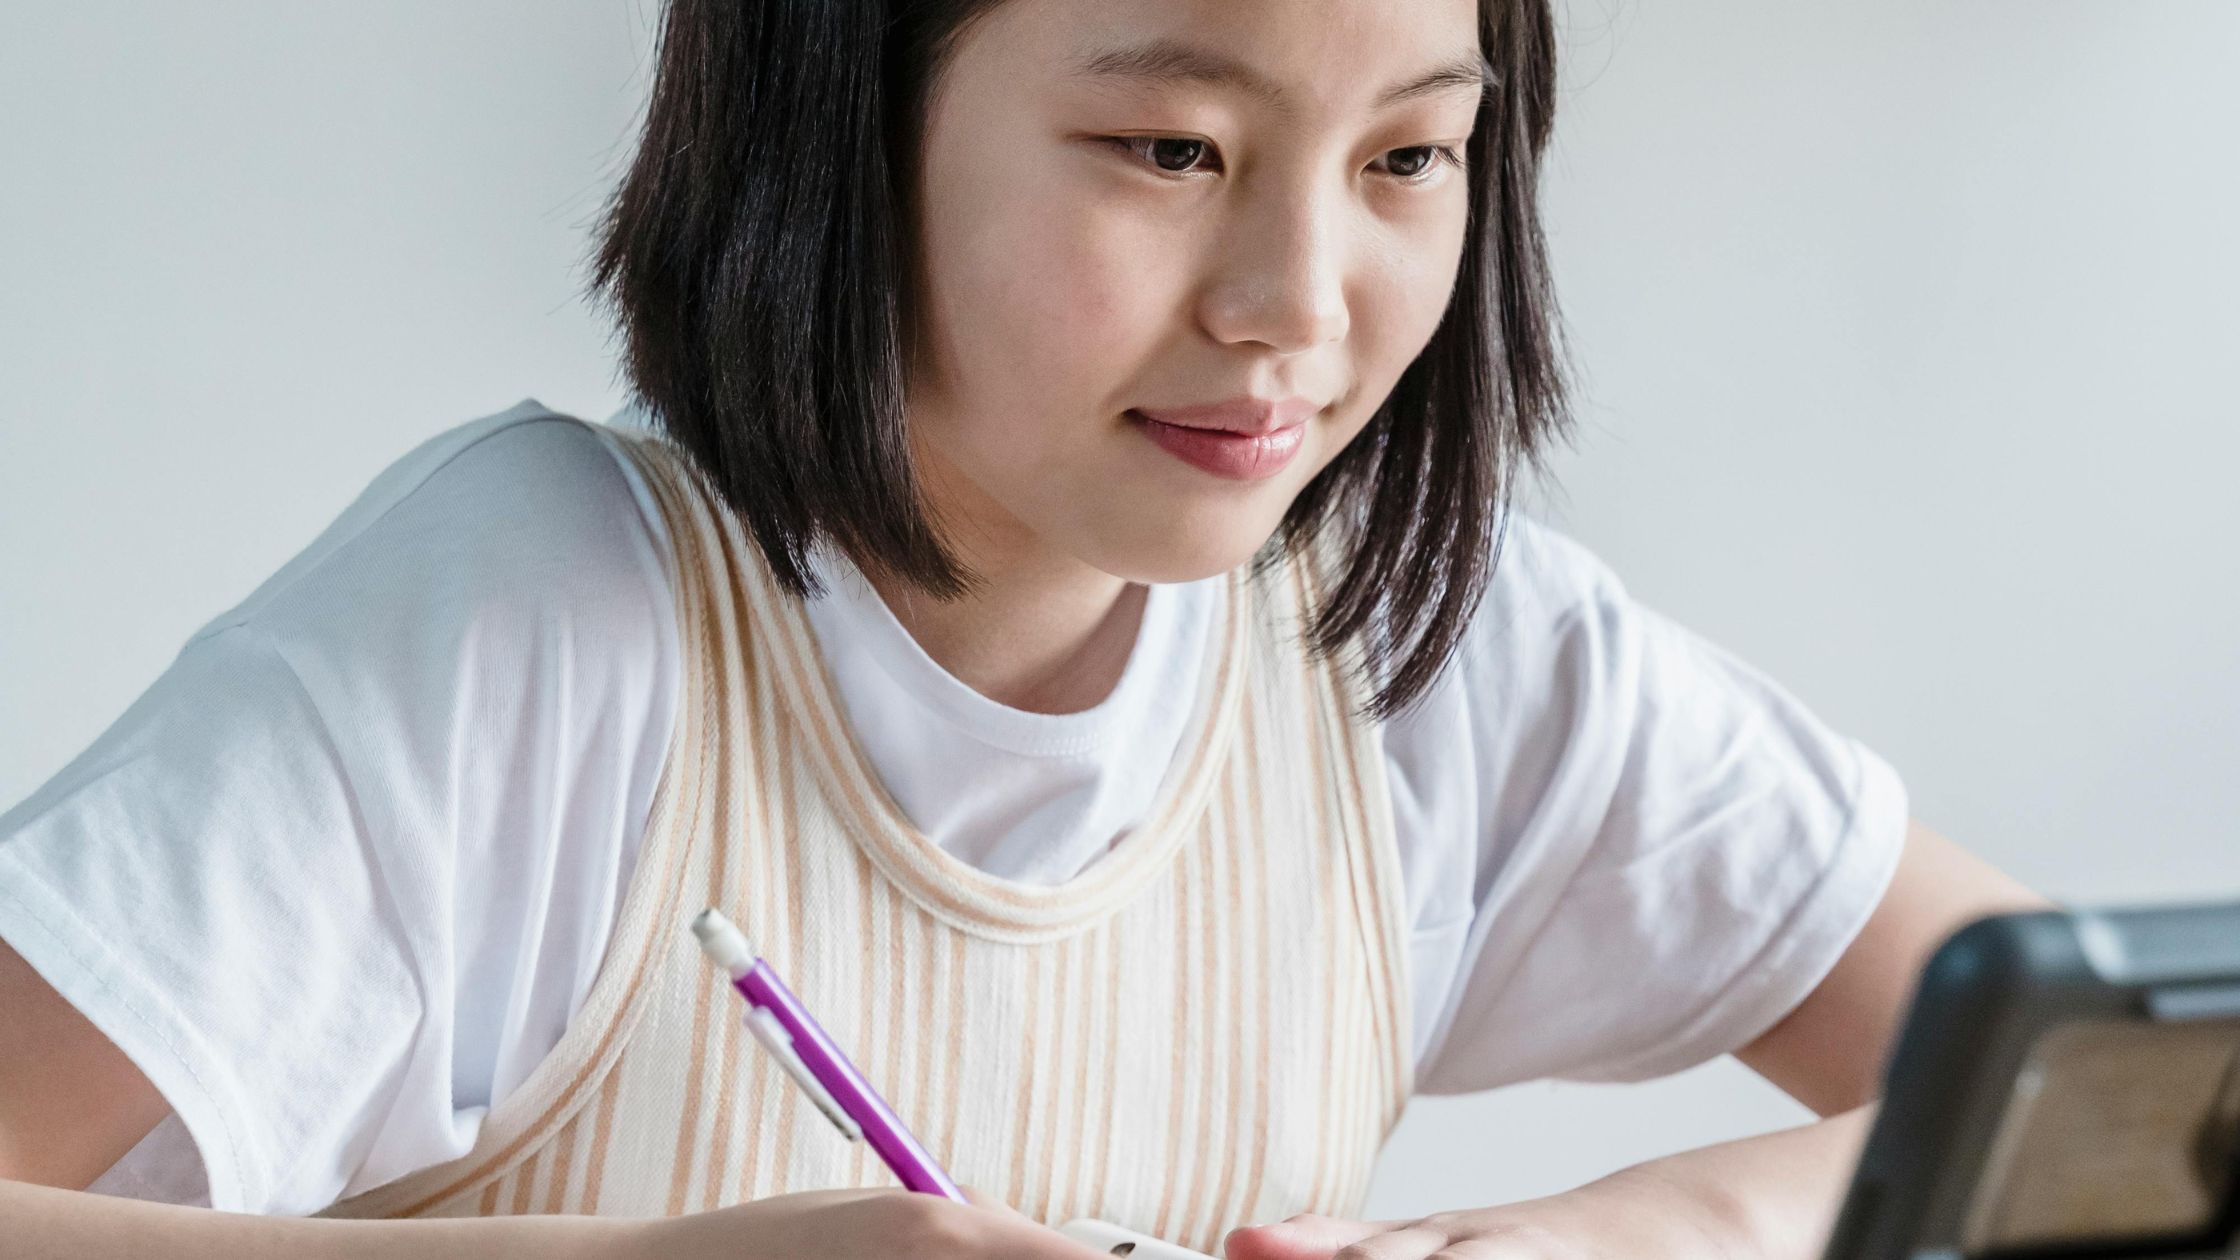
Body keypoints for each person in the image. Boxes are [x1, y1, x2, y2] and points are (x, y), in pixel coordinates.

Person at [0, 0, 2048, 1256]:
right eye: (1171, 149)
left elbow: (2149, 1097)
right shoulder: (545, 622)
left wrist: (1658, 1230)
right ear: (841, 123)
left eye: (1410, 154)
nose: (1298, 302)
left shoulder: (1411, 645)